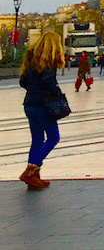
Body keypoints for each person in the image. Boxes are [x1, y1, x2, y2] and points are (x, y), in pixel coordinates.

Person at [19, 31, 66, 190]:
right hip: (43, 106)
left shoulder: (31, 61)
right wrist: (57, 93)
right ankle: (31, 171)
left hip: (29, 104)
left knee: (37, 140)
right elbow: (49, 82)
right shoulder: (48, 63)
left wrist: (33, 90)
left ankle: (33, 179)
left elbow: (22, 81)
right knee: (53, 137)